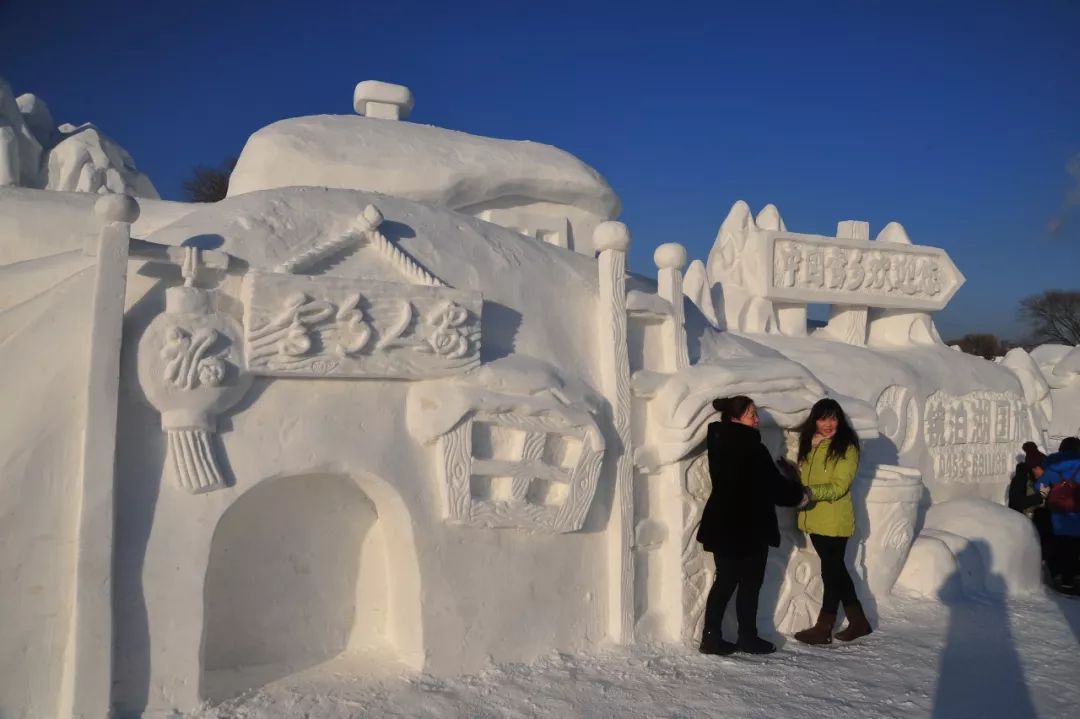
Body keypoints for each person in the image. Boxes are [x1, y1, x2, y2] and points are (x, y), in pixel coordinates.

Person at [697, 395, 808, 656]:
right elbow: (773, 487)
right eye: (750, 414)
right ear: (735, 418)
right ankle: (747, 636)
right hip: (748, 525)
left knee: (725, 580)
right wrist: (797, 490)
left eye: (755, 413)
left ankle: (711, 636)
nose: (756, 419)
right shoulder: (751, 447)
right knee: (750, 583)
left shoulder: (719, 441)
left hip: (723, 522)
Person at [792, 398, 871, 645]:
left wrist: (810, 493)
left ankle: (827, 626)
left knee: (833, 570)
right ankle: (855, 622)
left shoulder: (846, 447)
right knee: (833, 571)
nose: (828, 424)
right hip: (815, 518)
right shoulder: (811, 444)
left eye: (833, 418)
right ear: (814, 420)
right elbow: (807, 476)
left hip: (835, 519)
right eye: (823, 418)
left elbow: (839, 485)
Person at [1035, 436, 1080, 593]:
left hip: (1059, 517)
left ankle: (1063, 580)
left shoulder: (1053, 468)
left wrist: (1050, 494)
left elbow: (1041, 489)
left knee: (1062, 548)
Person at [1008, 442, 1052, 562]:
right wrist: (1040, 496)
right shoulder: (1020, 480)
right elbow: (1015, 503)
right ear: (1035, 467)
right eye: (1042, 469)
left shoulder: (1039, 479)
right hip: (1024, 528)